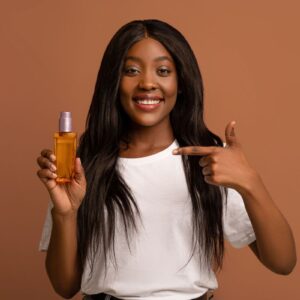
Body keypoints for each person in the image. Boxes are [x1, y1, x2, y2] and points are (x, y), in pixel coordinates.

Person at [37, 19, 296, 300]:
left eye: (163, 71)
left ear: (181, 82)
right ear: (113, 80)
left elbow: (283, 263)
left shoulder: (212, 159)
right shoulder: (82, 163)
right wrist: (65, 213)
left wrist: (250, 182)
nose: (147, 83)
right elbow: (65, 286)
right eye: (131, 70)